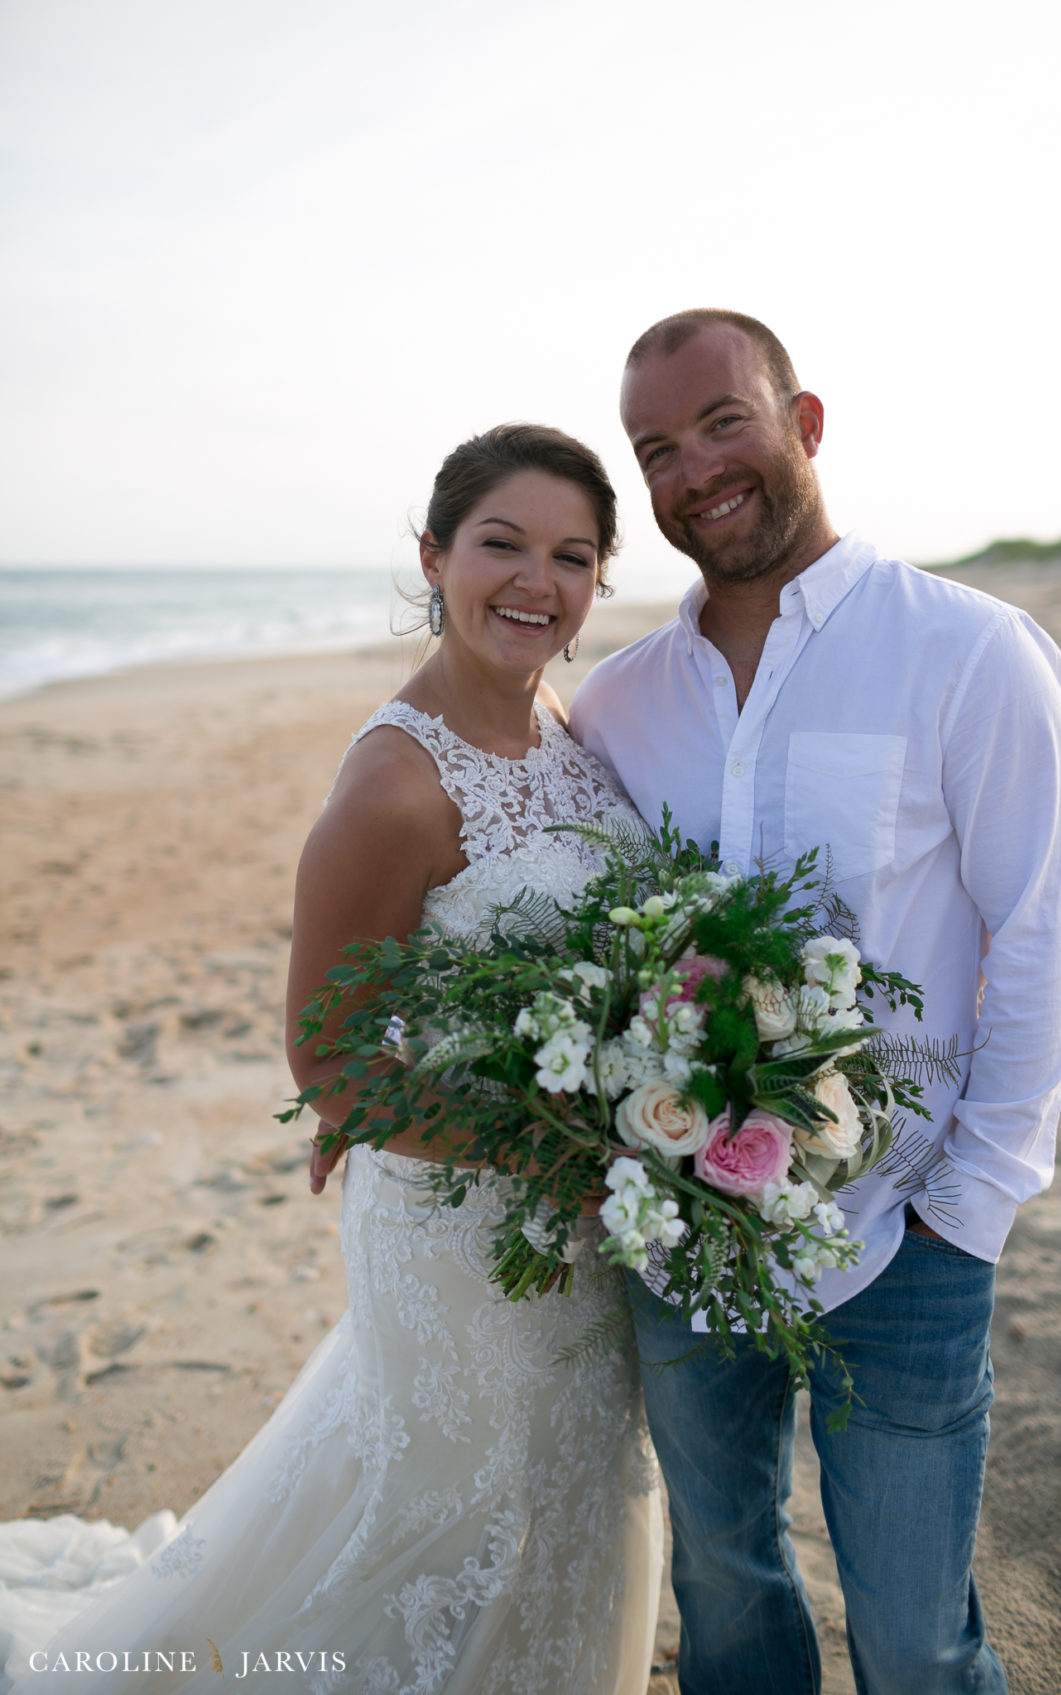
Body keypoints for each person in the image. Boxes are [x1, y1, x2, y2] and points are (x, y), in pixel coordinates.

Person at [0, 423, 661, 1694]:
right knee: (444, 1514)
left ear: (594, 584)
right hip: (465, 1224)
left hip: (588, 1213)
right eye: (502, 545)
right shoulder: (393, 785)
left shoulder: (564, 721)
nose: (537, 580)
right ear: (433, 556)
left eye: (571, 555)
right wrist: (561, 1145)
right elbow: (334, 1068)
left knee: (569, 1489)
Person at [568, 308, 1061, 1695]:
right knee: (726, 1594)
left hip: (907, 1231)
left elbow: (1040, 931)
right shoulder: (617, 705)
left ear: (803, 423)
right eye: (656, 449)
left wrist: (966, 1201)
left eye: (721, 421)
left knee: (917, 1637)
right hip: (682, 1235)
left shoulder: (967, 651)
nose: (693, 469)